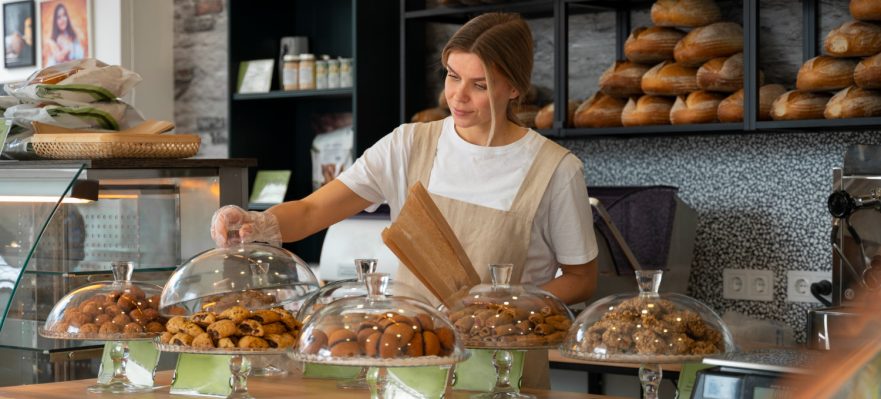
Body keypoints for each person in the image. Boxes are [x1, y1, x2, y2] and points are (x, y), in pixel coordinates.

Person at [211, 12, 598, 389]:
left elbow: (581, 279)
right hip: (409, 360)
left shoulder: (555, 170)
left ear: (514, 88)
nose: (458, 97)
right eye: (452, 76)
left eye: (479, 85)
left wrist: (505, 307)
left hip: (503, 370)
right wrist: (257, 222)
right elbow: (313, 210)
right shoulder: (408, 145)